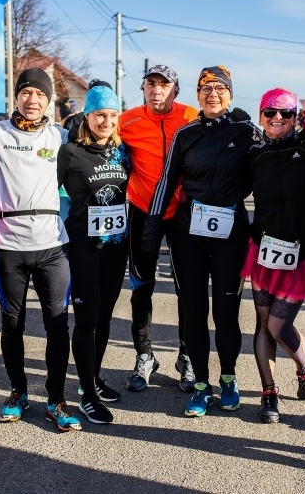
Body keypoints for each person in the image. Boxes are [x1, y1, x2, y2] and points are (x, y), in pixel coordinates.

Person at [143, 65, 257, 417]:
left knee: (226, 313)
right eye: (206, 89)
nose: (213, 94)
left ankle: (227, 378)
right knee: (193, 312)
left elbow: (275, 155)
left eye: (220, 89)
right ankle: (201, 386)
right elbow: (167, 179)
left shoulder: (245, 130)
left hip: (230, 234)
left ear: (231, 94)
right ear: (197, 95)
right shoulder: (186, 133)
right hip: (188, 234)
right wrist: (151, 226)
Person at [0, 68, 80, 432]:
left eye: (40, 94)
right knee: (12, 324)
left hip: (53, 246)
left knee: (57, 325)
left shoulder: (62, 136)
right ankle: (18, 391)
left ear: (48, 100)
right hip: (8, 246)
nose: (32, 100)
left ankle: (56, 398)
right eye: (26, 92)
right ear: (16, 96)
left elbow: (101, 146)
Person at [243, 90, 305, 424]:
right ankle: (269, 391)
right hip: (264, 249)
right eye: (269, 113)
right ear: (260, 115)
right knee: (264, 324)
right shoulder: (254, 153)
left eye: (285, 113)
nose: (277, 118)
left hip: (302, 252)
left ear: (297, 117)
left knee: (280, 325)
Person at [119, 64, 199, 392]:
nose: (156, 90)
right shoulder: (127, 121)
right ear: (143, 88)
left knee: (187, 289)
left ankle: (187, 355)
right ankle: (145, 354)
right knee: (141, 286)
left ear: (174, 90)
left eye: (163, 85)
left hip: (181, 213)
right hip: (141, 210)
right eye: (150, 84)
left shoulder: (191, 116)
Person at [58, 86, 129, 424]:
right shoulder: (70, 152)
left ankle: (94, 378)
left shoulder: (121, 151)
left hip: (116, 247)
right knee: (86, 320)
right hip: (83, 246)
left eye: (113, 115)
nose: (107, 121)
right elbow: (52, 193)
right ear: (88, 115)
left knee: (104, 318)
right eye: (101, 114)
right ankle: (86, 392)